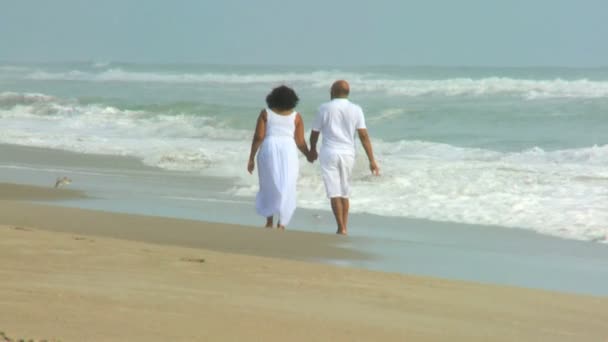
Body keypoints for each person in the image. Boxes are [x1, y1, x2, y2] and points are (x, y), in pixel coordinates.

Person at [308, 80, 379, 235]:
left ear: (332, 91)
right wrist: (372, 160)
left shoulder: (324, 108)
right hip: (348, 154)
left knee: (334, 192)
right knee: (344, 191)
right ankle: (344, 226)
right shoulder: (356, 109)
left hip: (329, 153)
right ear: (348, 92)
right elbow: (363, 135)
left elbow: (314, 133)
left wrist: (312, 150)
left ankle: (341, 227)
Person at [248, 85, 310, 230]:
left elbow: (258, 137)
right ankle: (282, 222)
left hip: (269, 147)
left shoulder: (266, 113)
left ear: (272, 98)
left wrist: (251, 157)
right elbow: (300, 142)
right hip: (289, 150)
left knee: (268, 183)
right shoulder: (296, 117)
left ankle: (269, 221)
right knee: (288, 185)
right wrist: (308, 155)